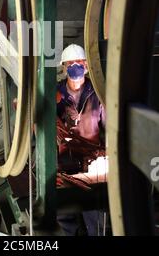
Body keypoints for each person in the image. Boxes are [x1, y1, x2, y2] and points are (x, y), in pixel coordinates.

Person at [56, 44, 107, 236]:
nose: (75, 66)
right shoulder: (56, 94)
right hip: (63, 160)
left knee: (94, 211)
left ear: (86, 66)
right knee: (65, 211)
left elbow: (108, 127)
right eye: (70, 63)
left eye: (79, 62)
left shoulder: (97, 93)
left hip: (91, 161)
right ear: (63, 67)